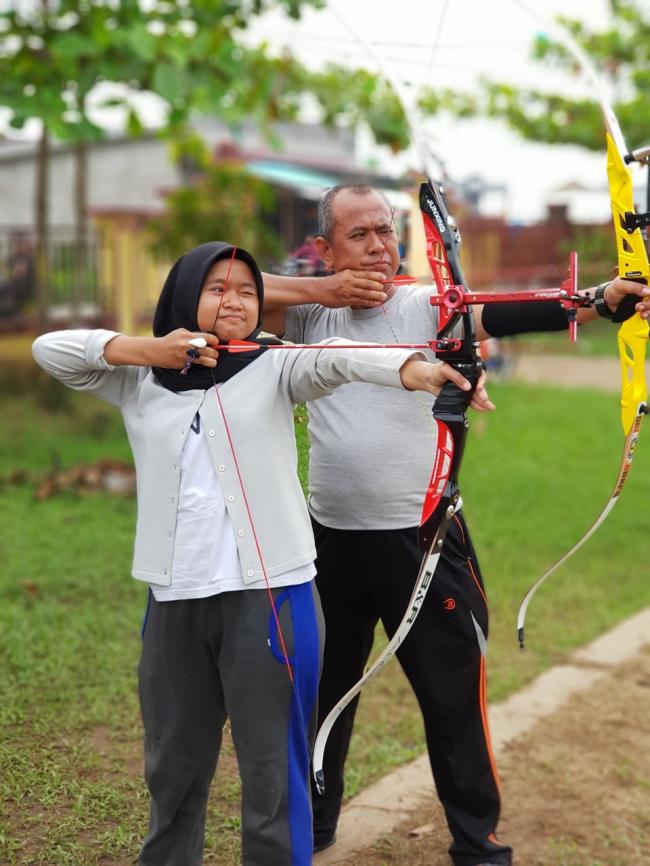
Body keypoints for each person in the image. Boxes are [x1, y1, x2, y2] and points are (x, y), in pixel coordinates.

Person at [32, 240, 493, 866]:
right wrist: (152, 349)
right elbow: (50, 350)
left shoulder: (277, 364)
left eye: (248, 291)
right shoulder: (139, 380)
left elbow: (341, 359)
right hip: (174, 601)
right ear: (184, 293)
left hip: (272, 600)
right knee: (172, 769)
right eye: (218, 288)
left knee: (274, 774)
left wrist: (420, 368)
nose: (236, 301)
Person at [262, 185, 650, 866]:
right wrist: (320, 290)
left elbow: (496, 312)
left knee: (451, 699)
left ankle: (478, 845)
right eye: (360, 235)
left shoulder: (421, 304)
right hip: (327, 542)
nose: (380, 246)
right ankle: (317, 824)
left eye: (387, 231)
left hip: (422, 541)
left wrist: (597, 300)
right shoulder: (309, 319)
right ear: (325, 247)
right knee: (325, 691)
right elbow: (223, 295)